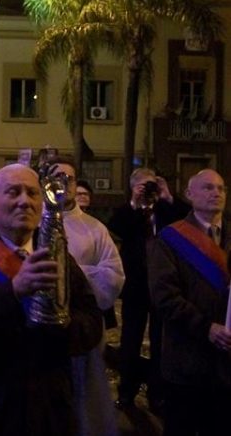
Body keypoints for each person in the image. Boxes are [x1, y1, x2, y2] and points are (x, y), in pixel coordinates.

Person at [0, 163, 103, 435]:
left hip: (49, 408)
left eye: (32, 193)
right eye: (13, 192)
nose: (24, 201)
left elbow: (91, 320)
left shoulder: (58, 256)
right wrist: (14, 290)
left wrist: (62, 327)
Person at [148, 169, 231, 436]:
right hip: (187, 361)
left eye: (221, 188)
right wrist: (206, 327)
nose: (216, 193)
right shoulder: (171, 239)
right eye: (207, 187)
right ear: (189, 194)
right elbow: (165, 296)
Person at [50, 159, 124, 436]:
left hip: (82, 323)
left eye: (69, 178)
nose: (64, 183)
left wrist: (75, 276)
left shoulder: (94, 228)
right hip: (44, 327)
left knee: (83, 392)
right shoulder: (35, 222)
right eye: (58, 177)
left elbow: (114, 274)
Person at [108, 168, 188, 410]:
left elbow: (185, 222)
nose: (148, 190)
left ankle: (157, 393)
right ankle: (127, 391)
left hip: (162, 284)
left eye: (151, 185)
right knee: (130, 340)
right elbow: (118, 229)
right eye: (144, 186)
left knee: (159, 340)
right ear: (133, 187)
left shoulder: (166, 210)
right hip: (136, 286)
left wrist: (168, 196)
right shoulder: (127, 212)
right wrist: (135, 202)